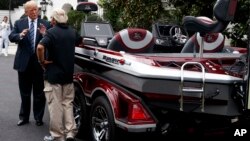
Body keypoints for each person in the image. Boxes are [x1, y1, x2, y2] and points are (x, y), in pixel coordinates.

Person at [37, 8, 81, 141]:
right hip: (68, 75)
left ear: (54, 20)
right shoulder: (73, 32)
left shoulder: (51, 33)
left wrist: (42, 61)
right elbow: (79, 41)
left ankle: (57, 136)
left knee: (55, 106)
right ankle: (70, 132)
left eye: (52, 18)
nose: (50, 20)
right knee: (68, 104)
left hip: (53, 76)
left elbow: (40, 47)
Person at [8, 0, 50, 126]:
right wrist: (20, 35)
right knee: (24, 92)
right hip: (24, 63)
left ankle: (38, 118)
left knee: (39, 93)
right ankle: (24, 117)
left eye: (36, 9)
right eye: (31, 10)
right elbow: (11, 36)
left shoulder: (45, 23)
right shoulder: (19, 23)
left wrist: (45, 34)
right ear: (26, 12)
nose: (34, 11)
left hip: (39, 63)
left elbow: (52, 39)